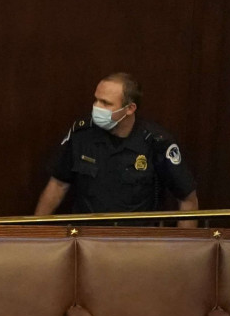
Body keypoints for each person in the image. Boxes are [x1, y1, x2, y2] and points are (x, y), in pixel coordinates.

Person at [34, 73, 198, 226]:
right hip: (88, 240)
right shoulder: (81, 134)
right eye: (96, 100)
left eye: (106, 103)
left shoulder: (157, 142)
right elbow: (58, 185)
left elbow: (187, 200)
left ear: (130, 108)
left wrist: (182, 248)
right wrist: (36, 233)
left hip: (137, 242)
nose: (96, 107)